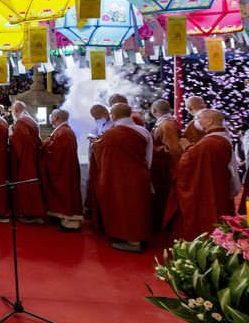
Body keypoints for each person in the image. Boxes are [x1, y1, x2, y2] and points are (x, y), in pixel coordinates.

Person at [164, 109, 241, 239]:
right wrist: (192, 150)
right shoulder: (218, 139)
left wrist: (188, 149)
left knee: (209, 216)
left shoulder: (209, 142)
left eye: (198, 118)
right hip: (219, 184)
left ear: (209, 121)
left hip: (208, 188)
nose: (196, 122)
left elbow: (187, 163)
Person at [86, 104, 153, 253]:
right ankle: (140, 237)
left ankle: (132, 241)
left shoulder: (112, 133)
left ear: (114, 115)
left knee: (125, 209)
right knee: (139, 207)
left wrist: (96, 143)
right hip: (140, 174)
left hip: (121, 178)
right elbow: (149, 155)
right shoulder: (143, 131)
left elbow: (100, 151)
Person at [40, 109, 83, 232]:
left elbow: (55, 150)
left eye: (51, 115)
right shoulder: (63, 130)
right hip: (64, 167)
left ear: (55, 117)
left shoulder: (63, 132)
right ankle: (59, 216)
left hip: (64, 169)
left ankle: (71, 223)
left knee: (66, 193)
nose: (50, 117)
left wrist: (44, 145)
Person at [9, 101, 44, 224]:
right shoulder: (30, 120)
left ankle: (32, 214)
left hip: (26, 158)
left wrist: (11, 135)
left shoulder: (22, 122)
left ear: (15, 110)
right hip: (33, 155)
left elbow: (20, 140)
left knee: (27, 184)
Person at [150, 99, 182, 228]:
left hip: (166, 169)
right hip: (160, 166)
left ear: (153, 110)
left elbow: (173, 150)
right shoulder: (164, 123)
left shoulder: (167, 124)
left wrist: (152, 148)